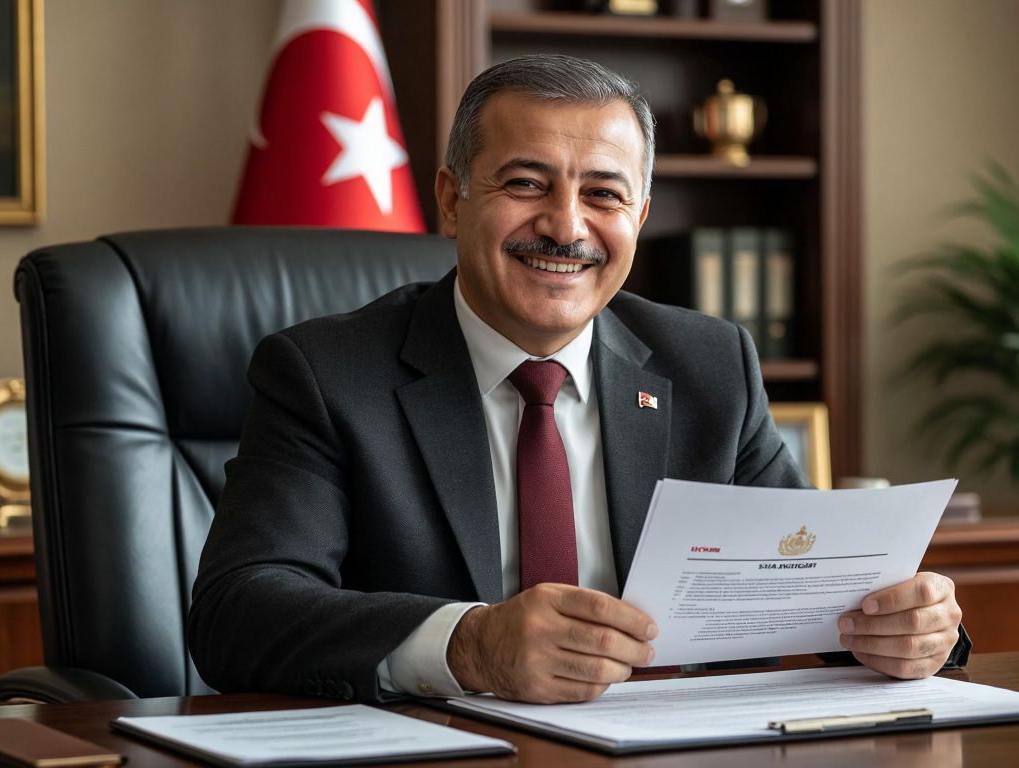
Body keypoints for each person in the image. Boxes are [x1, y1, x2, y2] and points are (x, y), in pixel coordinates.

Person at [189, 54, 967, 705]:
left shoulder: (709, 366)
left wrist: (913, 628)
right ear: (453, 200)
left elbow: (813, 590)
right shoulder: (327, 373)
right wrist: (469, 645)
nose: (566, 227)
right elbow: (239, 614)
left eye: (603, 193)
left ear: (641, 214)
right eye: (526, 184)